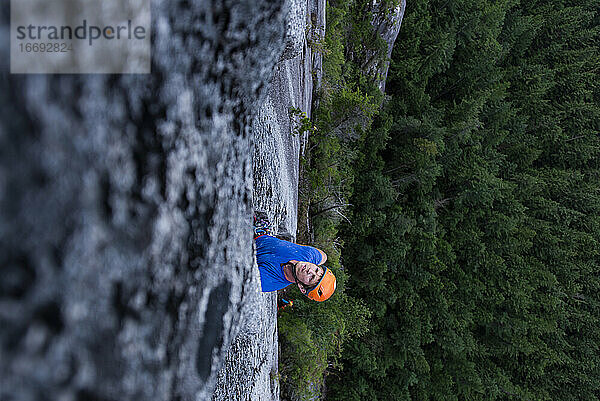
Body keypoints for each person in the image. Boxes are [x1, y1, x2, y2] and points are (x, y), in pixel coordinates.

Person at [253, 213, 336, 302]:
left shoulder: (270, 281)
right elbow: (324, 256)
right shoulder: (310, 256)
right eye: (316, 269)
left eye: (311, 277)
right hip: (261, 235)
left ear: (302, 288)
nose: (310, 270)